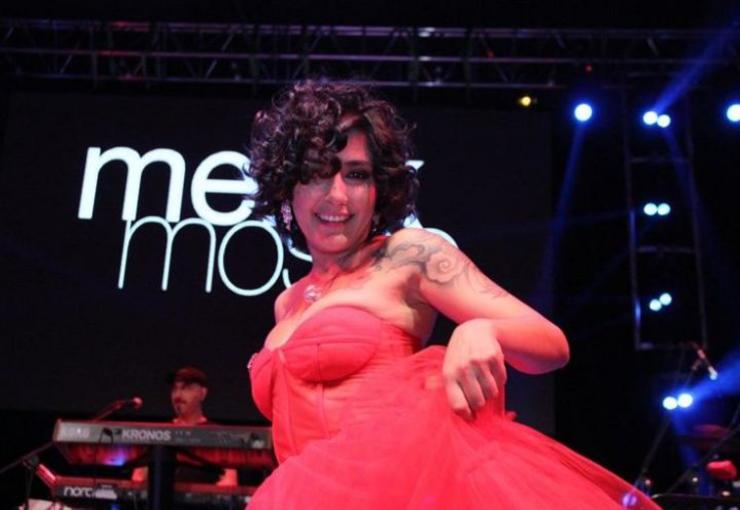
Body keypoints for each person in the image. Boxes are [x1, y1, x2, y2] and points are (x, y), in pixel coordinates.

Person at [245, 79, 660, 509]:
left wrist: (483, 329)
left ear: (378, 188)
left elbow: (551, 345)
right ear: (286, 186)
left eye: (356, 174)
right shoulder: (288, 302)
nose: (337, 195)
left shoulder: (407, 254)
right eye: (316, 172)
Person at [132, 366, 238, 486]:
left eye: (186, 388)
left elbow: (230, 481)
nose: (178, 395)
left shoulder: (219, 435)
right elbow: (138, 478)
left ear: (202, 393)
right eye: (175, 389)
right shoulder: (160, 433)